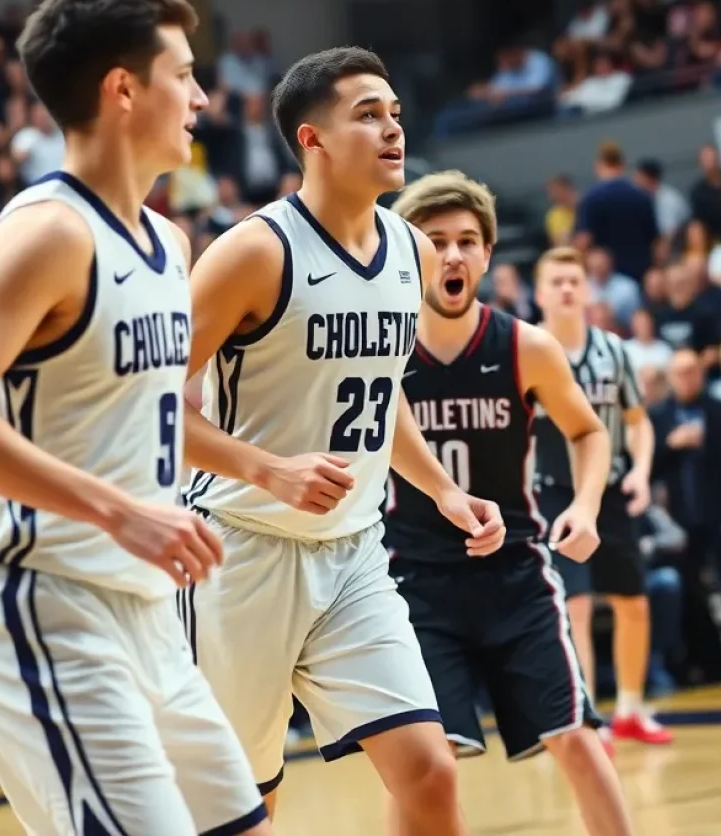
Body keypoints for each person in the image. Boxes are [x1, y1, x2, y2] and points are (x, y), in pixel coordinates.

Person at [0, 0, 271, 835]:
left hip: (145, 613)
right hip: (41, 605)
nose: (201, 94)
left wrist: (257, 467)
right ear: (123, 88)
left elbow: (134, 423)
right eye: (184, 73)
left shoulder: (169, 241)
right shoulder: (47, 232)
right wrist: (122, 514)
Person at [181, 48, 505, 834]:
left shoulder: (411, 251)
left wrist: (443, 489)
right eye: (367, 114)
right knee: (243, 804)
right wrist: (268, 471)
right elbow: (145, 402)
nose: (392, 128)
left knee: (429, 771)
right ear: (312, 139)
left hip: (354, 550)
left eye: (394, 112)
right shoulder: (254, 252)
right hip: (242, 553)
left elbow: (381, 388)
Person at [388, 171, 636, 836]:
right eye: (435, 241)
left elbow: (588, 431)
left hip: (516, 579)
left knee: (578, 740)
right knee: (426, 764)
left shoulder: (526, 346)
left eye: (467, 241)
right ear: (410, 252)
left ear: (488, 256)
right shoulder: (380, 352)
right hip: (414, 582)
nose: (453, 255)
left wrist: (585, 506)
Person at [531, 246, 671, 745]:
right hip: (552, 494)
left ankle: (631, 709)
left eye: (575, 280)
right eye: (558, 281)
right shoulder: (527, 349)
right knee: (575, 606)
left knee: (634, 602)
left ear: (587, 291)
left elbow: (639, 423)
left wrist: (641, 471)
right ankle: (586, 715)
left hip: (609, 490)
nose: (568, 288)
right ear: (541, 293)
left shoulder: (614, 350)